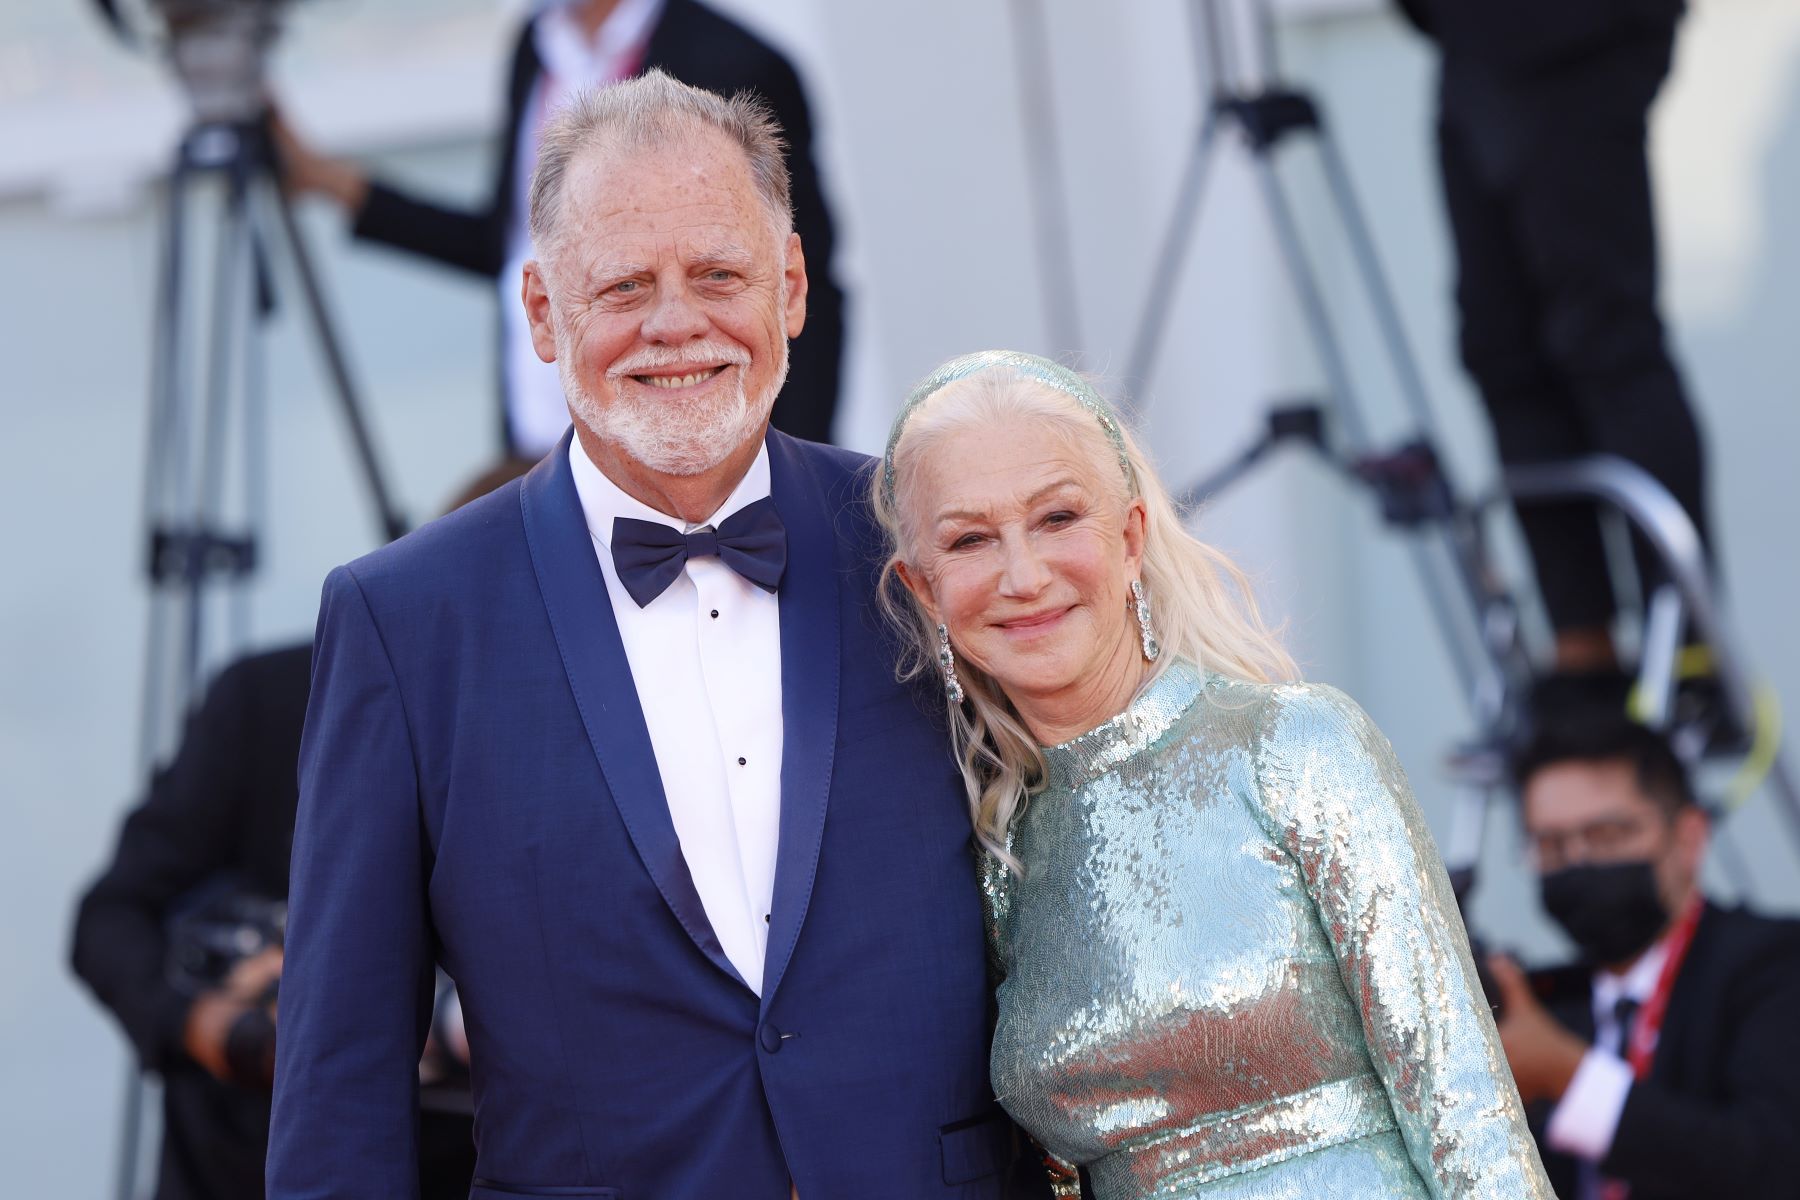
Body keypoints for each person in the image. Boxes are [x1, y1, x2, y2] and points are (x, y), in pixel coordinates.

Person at [267, 72, 1023, 1199]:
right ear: (540, 314)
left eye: (719, 275)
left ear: (792, 288)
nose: (677, 324)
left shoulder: (926, 542)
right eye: (624, 285)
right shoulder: (406, 619)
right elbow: (342, 1082)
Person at [874, 350, 1552, 1197]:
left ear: (1129, 540)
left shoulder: (1294, 746)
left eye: (1056, 519)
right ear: (927, 592)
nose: (1023, 575)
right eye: (971, 539)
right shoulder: (997, 848)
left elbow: (1468, 1116)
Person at [275, 0, 845, 455]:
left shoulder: (739, 61)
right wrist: (336, 185)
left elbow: (802, 276)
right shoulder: (533, 47)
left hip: (683, 441)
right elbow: (510, 244)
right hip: (538, 440)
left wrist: (794, 466)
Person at [68, 644, 478, 1200]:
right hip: (239, 1165)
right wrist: (212, 1025)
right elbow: (111, 921)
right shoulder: (267, 695)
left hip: (469, 1167)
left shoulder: (559, 709)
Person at [1394, 0, 1714, 712]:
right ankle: (1583, 646)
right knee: (1502, 351)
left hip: (1576, 33)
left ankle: (1688, 645)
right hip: (1472, 43)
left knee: (1606, 342)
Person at [1485, 716, 1800, 1198]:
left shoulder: (1774, 964)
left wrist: (1570, 1079)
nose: (1578, 862)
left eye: (1607, 835)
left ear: (1688, 838)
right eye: (1550, 846)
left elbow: (1772, 1164)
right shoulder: (1546, 1002)